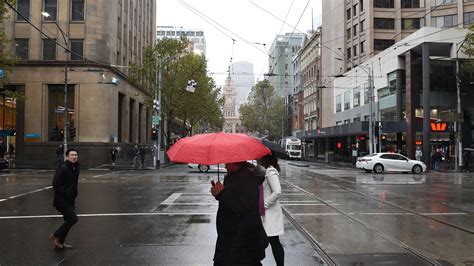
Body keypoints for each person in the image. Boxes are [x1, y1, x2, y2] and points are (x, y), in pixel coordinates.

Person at [210, 161, 268, 265]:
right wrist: (219, 194)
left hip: (242, 240)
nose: (225, 165)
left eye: (227, 162)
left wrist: (221, 194)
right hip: (232, 237)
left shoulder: (247, 179)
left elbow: (242, 207)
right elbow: (232, 202)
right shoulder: (233, 177)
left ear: (235, 162)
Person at [49, 148, 80, 250]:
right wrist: (67, 194)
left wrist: (73, 194)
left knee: (68, 220)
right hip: (61, 200)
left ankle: (59, 242)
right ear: (67, 156)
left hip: (70, 199)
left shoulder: (75, 168)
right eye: (72, 155)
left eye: (75, 155)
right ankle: (55, 235)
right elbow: (56, 184)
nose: (74, 157)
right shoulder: (63, 168)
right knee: (73, 218)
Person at [258, 153, 285, 266]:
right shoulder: (265, 170)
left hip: (270, 213)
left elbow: (277, 191)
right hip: (266, 213)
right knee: (270, 242)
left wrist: (265, 204)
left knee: (274, 242)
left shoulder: (270, 171)